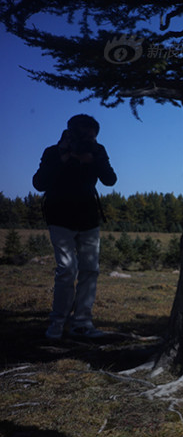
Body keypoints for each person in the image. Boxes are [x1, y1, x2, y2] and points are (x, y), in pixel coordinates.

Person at [32, 114, 117, 339]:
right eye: (84, 135)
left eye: (92, 136)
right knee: (67, 271)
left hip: (89, 218)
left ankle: (82, 323)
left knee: (90, 270)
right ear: (70, 132)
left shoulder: (97, 151)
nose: (88, 140)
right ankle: (57, 324)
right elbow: (39, 183)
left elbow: (110, 179)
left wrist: (94, 159)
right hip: (59, 217)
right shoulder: (54, 152)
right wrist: (64, 157)